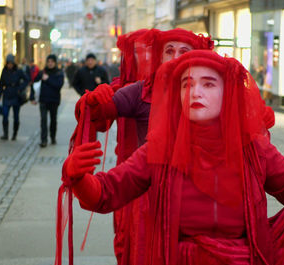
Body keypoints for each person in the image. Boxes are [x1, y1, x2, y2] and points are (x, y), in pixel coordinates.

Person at [62, 50, 284, 264]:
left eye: (208, 84)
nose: (195, 92)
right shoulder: (160, 149)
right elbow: (108, 192)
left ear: (227, 93)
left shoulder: (255, 149)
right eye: (186, 85)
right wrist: (79, 178)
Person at [84, 28, 215, 265]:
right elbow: (102, 110)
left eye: (184, 51)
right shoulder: (142, 91)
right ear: (160, 56)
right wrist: (97, 101)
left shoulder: (212, 93)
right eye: (169, 51)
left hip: (198, 196)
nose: (176, 56)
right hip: (150, 197)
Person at [30, 54, 64, 147]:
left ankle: (53, 137)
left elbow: (59, 85)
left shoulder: (59, 73)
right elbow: (34, 83)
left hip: (54, 101)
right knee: (43, 121)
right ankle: (43, 140)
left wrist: (48, 79)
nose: (50, 64)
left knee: (53, 121)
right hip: (43, 100)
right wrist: (32, 97)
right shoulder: (42, 72)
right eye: (48, 62)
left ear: (55, 63)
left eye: (52, 62)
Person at [0, 54, 29, 140]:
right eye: (8, 63)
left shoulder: (18, 71)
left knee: (16, 117)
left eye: (11, 63)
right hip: (7, 95)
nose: (10, 65)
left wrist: (20, 88)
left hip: (16, 96)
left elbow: (27, 79)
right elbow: (1, 84)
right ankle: (5, 134)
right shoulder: (4, 71)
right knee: (5, 115)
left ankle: (15, 133)